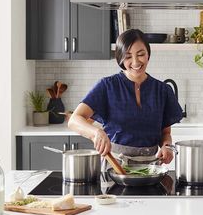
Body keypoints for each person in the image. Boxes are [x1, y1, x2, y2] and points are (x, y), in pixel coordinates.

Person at [68, 29, 183, 166]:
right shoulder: (107, 86)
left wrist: (167, 146)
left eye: (141, 54)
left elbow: (165, 133)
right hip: (115, 167)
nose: (135, 62)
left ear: (148, 55)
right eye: (128, 56)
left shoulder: (162, 90)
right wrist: (96, 132)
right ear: (120, 58)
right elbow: (74, 120)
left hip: (151, 169)